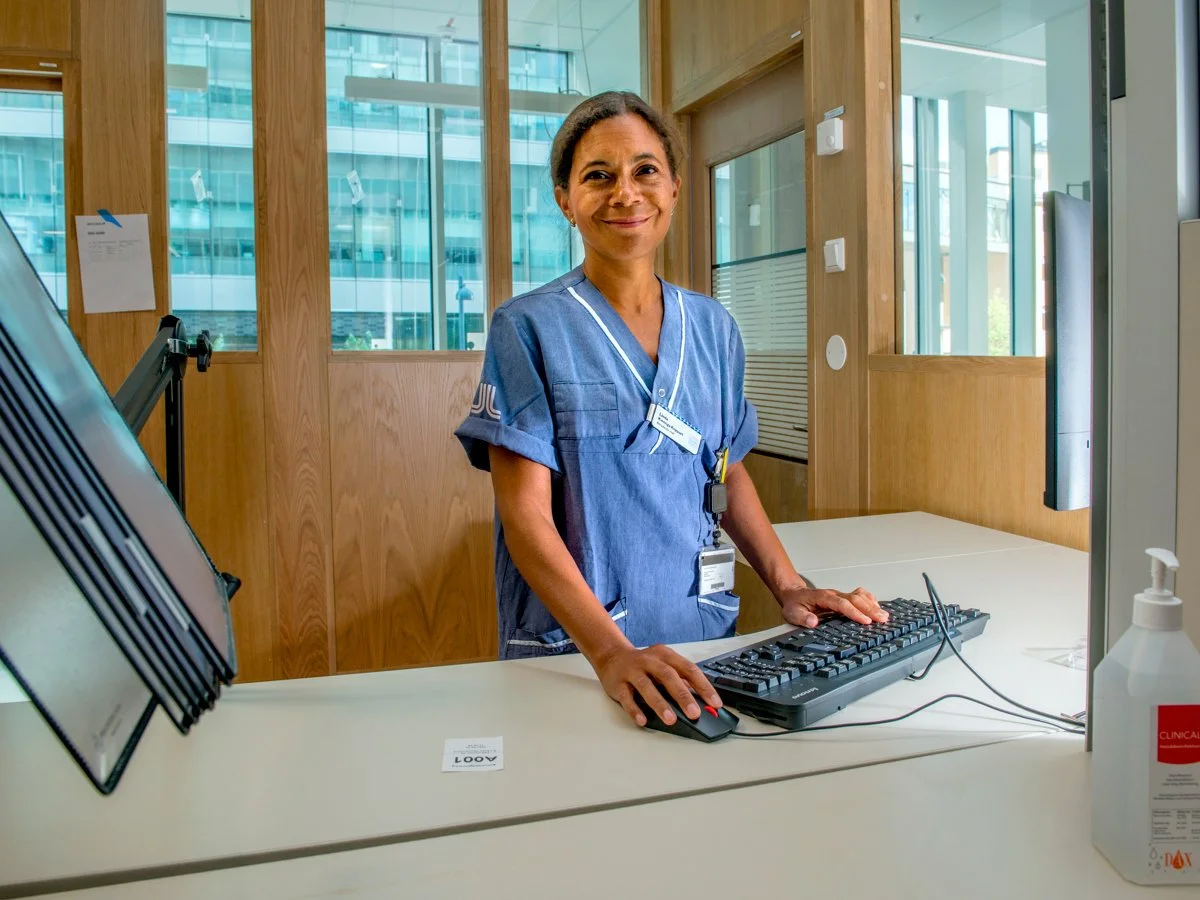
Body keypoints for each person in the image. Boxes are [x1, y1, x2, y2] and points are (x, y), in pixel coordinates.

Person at [455, 91, 886, 729]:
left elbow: (727, 470)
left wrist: (788, 585)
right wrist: (609, 654)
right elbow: (524, 518)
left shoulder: (713, 328)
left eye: (644, 170)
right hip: (585, 653)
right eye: (597, 176)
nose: (624, 193)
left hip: (700, 637)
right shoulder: (528, 328)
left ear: (675, 189)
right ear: (565, 199)